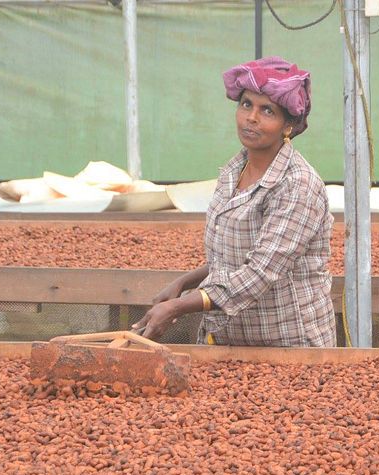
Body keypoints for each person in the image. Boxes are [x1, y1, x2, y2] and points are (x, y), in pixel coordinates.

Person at [132, 56, 335, 347]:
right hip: (228, 340)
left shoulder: (297, 185)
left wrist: (178, 307)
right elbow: (230, 258)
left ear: (288, 125)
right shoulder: (233, 171)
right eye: (246, 105)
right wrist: (183, 283)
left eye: (268, 111)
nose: (252, 118)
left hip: (288, 345)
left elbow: (259, 272)